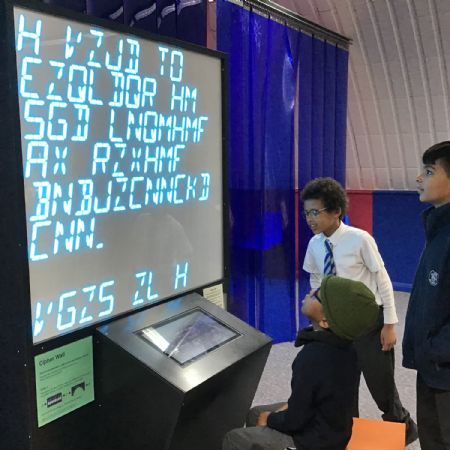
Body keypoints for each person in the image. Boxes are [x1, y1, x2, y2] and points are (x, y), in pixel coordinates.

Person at [300, 177, 418, 444]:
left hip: (368, 323)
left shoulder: (359, 239)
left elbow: (382, 279)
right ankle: (348, 430)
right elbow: (316, 281)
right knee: (341, 382)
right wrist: (321, 316)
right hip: (337, 325)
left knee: (381, 384)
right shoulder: (314, 245)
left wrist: (389, 324)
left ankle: (403, 428)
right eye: (307, 213)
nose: (310, 219)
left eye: (316, 212)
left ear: (336, 211)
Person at [222, 276, 379, 450]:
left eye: (317, 295)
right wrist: (285, 409)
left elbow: (295, 420)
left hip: (313, 443)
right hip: (333, 431)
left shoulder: (313, 357)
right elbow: (315, 397)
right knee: (255, 414)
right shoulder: (348, 347)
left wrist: (271, 418)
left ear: (325, 321)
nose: (310, 291)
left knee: (234, 438)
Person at [402, 141, 450, 450]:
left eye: (430, 172)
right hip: (431, 366)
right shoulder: (438, 230)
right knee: (432, 441)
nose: (419, 178)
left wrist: (436, 349)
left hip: (444, 368)